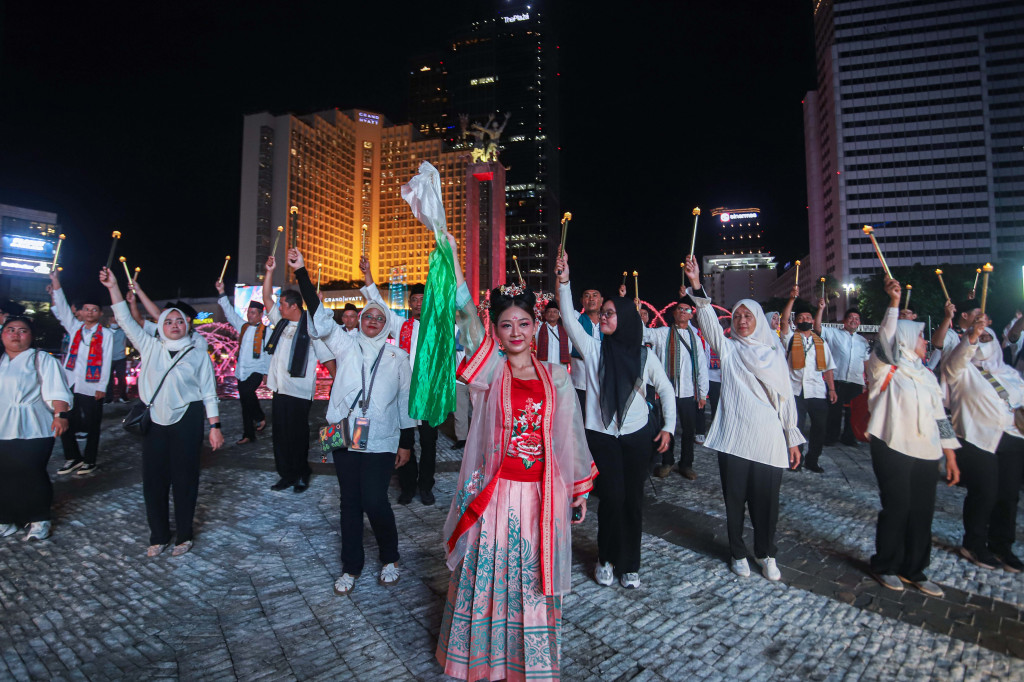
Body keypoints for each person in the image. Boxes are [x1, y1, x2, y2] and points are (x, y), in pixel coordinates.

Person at [437, 234, 596, 681]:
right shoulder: (490, 368)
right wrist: (454, 262)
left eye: (523, 324)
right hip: (496, 492)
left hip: (541, 495)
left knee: (531, 577)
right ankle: (481, 660)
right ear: (498, 330)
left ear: (535, 326)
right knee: (490, 574)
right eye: (506, 325)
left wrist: (577, 489)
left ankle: (529, 663)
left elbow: (569, 436)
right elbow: (467, 316)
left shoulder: (557, 376)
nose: (515, 333)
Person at [286, 248, 414, 594]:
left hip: (382, 438)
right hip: (343, 433)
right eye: (368, 316)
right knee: (349, 503)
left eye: (378, 317)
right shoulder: (345, 344)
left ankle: (390, 557)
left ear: (386, 323)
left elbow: (404, 399)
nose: (372, 321)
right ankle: (351, 566)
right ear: (360, 320)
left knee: (375, 500)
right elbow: (320, 316)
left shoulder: (397, 356)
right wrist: (301, 273)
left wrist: (406, 442)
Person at [557, 252, 675, 589]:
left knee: (633, 500)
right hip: (602, 436)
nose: (604, 316)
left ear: (624, 317)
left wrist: (667, 426)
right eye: (603, 312)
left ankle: (630, 564)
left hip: (637, 436)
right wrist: (564, 281)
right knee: (612, 497)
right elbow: (567, 316)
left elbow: (665, 389)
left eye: (610, 313)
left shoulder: (644, 355)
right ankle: (606, 558)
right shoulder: (594, 349)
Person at [684, 255, 804, 581]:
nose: (741, 320)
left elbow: (785, 398)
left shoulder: (773, 354)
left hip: (768, 438)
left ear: (759, 321)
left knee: (766, 503)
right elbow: (709, 323)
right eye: (737, 316)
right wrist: (697, 285)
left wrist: (792, 436)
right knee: (734, 501)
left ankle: (766, 553)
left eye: (748, 315)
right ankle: (737, 551)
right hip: (735, 437)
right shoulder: (729, 350)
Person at [101, 267, 224, 557]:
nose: (173, 324)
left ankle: (184, 534)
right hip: (154, 419)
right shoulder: (149, 346)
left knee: (185, 479)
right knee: (154, 479)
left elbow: (209, 390)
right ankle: (158, 534)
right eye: (167, 321)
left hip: (188, 418)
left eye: (178, 320)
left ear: (187, 325)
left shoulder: (197, 352)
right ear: (160, 326)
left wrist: (215, 425)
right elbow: (124, 318)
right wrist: (113, 287)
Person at [865, 277, 960, 597]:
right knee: (898, 507)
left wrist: (949, 454)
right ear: (904, 339)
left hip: (927, 451)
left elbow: (940, 416)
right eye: (919, 336)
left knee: (923, 512)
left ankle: (915, 568)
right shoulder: (884, 369)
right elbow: (885, 339)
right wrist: (893, 304)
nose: (924, 341)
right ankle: (885, 564)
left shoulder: (926, 374)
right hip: (892, 446)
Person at [943, 312, 1024, 572]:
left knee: (1009, 496)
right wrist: (972, 336)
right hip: (977, 439)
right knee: (984, 493)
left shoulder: (1007, 373)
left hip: (1011, 438)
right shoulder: (961, 370)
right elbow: (956, 362)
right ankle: (974, 543)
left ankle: (1002, 545)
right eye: (979, 337)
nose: (983, 340)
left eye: (987, 337)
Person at [360, 261, 439, 505]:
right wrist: (368, 276)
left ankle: (425, 486)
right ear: (410, 303)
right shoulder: (400, 325)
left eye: (422, 298)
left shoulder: (438, 329)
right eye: (414, 299)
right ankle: (407, 485)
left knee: (428, 442)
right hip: (403, 392)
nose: (418, 303)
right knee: (405, 440)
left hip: (428, 394)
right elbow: (379, 304)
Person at [262, 256, 335, 492]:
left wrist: (341, 383)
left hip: (300, 393)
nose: (279, 307)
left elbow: (326, 356)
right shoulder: (281, 323)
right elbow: (265, 299)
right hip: (279, 390)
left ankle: (302, 474)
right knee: (280, 437)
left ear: (294, 306)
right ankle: (286, 475)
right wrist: (269, 272)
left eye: (282, 304)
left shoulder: (311, 326)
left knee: (298, 437)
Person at [0, 316, 73, 541]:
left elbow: (58, 390)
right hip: (3, 426)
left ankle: (39, 518)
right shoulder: (1, 360)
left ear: (31, 336)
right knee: (4, 474)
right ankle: (7, 518)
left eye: (22, 331)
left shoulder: (41, 359)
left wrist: (60, 415)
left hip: (34, 426)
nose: (15, 334)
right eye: (10, 330)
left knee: (32, 472)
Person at [48, 270, 113, 476]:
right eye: (86, 310)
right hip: (70, 382)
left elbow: (107, 360)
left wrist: (102, 387)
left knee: (93, 425)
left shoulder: (107, 334)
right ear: (81, 312)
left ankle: (90, 460)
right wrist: (56, 283)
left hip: (92, 386)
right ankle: (72, 457)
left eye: (94, 310)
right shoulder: (75, 328)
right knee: (66, 420)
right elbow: (63, 309)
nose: (90, 313)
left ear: (100, 313)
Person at [645, 294, 708, 479]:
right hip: (667, 391)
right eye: (679, 309)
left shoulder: (695, 338)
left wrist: (702, 393)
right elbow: (643, 333)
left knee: (689, 430)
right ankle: (667, 461)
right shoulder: (663, 333)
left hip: (688, 391)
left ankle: (686, 464)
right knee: (667, 427)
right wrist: (636, 311)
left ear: (691, 315)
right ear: (674, 313)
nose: (683, 312)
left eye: (687, 310)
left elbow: (702, 366)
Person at [780, 290, 837, 473]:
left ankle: (813, 460)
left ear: (812, 321)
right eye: (801, 317)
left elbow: (828, 367)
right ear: (796, 321)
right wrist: (791, 299)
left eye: (808, 317)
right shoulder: (789, 338)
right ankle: (796, 459)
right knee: (796, 428)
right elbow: (783, 321)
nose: (805, 319)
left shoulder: (820, 342)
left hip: (817, 391)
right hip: (795, 391)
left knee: (819, 428)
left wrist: (832, 389)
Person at [216, 280, 270, 444]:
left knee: (247, 393)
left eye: (254, 313)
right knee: (245, 402)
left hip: (257, 370)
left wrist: (267, 373)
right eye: (249, 312)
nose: (250, 315)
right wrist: (222, 293)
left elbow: (269, 353)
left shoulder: (266, 331)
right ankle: (248, 435)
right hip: (242, 371)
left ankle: (260, 416)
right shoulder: (243, 326)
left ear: (261, 315)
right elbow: (230, 314)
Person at [814, 305, 871, 446]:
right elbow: (818, 328)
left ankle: (849, 437)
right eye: (851, 318)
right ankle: (831, 436)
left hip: (856, 380)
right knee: (835, 410)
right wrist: (820, 309)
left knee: (853, 411)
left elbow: (866, 361)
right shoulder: (834, 333)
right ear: (844, 321)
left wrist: (868, 379)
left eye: (857, 319)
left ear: (859, 323)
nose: (854, 320)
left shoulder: (863, 341)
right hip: (837, 379)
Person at [570, 285, 603, 411]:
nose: (591, 299)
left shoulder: (609, 322)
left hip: (604, 382)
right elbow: (559, 299)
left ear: (601, 300)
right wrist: (562, 279)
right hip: (581, 382)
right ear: (582, 301)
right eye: (587, 296)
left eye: (595, 295)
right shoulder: (576, 319)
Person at [535, 299, 572, 371]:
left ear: (559, 315)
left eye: (555, 312)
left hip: (561, 369)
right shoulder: (538, 329)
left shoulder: (565, 332)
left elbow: (569, 351)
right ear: (545, 315)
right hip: (544, 369)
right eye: (549, 312)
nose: (552, 314)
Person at [105, 320, 128, 403]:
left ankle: (123, 396)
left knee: (121, 378)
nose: (114, 322)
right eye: (112, 320)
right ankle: (109, 398)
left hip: (121, 358)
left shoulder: (123, 332)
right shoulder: (106, 332)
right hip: (108, 358)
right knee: (109, 379)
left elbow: (125, 343)